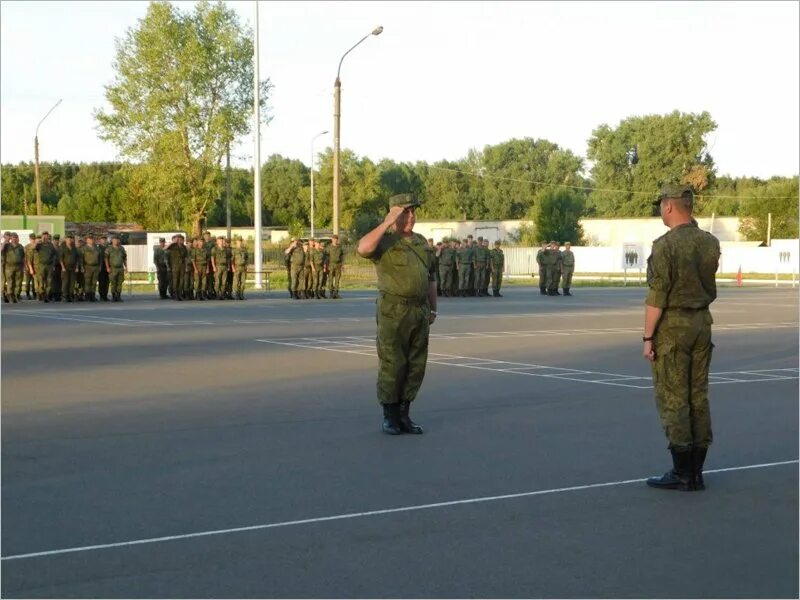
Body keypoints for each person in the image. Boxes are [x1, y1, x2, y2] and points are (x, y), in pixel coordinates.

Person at [643, 184, 720, 492]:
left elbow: (657, 297)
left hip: (673, 326)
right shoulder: (709, 242)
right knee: (697, 396)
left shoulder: (665, 245)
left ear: (670, 207)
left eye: (662, 204)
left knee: (674, 397)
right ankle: (697, 471)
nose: (661, 210)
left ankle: (682, 472)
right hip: (702, 322)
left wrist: (648, 338)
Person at [357, 193, 437, 436]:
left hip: (419, 310)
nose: (411, 216)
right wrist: (386, 223)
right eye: (405, 212)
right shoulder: (386, 241)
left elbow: (432, 278)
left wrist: (433, 308)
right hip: (394, 310)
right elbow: (363, 248)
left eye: (413, 212)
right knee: (394, 363)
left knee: (415, 364)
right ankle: (389, 416)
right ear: (394, 214)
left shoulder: (422, 242)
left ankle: (404, 415)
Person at [33, 232, 57, 302]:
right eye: (44, 236)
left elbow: (54, 254)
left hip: (49, 265)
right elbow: (34, 248)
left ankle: (47, 295)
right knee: (41, 281)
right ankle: (42, 294)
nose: (45, 238)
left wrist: (53, 264)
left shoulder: (51, 245)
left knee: (49, 281)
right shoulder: (39, 245)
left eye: (47, 236)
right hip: (41, 265)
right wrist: (39, 242)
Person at [3, 233, 25, 303]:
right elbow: (1, 250)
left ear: (17, 238)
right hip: (9, 267)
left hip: (19, 266)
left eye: (15, 237)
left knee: (18, 282)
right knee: (10, 282)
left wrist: (24, 266)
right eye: (13, 237)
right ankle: (10, 296)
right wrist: (5, 241)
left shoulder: (20, 246)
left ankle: (16, 296)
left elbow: (23, 257)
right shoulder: (7, 246)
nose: (14, 239)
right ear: (11, 238)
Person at [105, 236, 128, 302]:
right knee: (113, 282)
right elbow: (106, 259)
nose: (116, 241)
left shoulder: (121, 248)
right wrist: (107, 267)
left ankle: (118, 296)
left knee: (120, 282)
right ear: (112, 241)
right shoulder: (109, 249)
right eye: (114, 240)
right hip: (112, 268)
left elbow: (124, 259)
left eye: (117, 240)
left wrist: (126, 267)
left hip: (120, 268)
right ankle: (113, 296)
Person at [59, 234, 80, 302]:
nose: (69, 240)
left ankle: (70, 295)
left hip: (73, 267)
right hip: (65, 267)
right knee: (65, 282)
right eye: (68, 239)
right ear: (65, 240)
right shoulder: (63, 248)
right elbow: (61, 259)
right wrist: (63, 267)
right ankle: (64, 296)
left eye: (71, 238)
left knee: (72, 282)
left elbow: (77, 259)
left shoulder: (74, 248)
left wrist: (77, 267)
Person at [80, 234, 101, 301]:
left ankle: (93, 295)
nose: (91, 240)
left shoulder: (97, 248)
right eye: (89, 239)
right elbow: (81, 258)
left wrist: (99, 266)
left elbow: (100, 258)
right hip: (87, 267)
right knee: (87, 282)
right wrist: (82, 267)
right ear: (87, 240)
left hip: (95, 267)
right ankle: (87, 296)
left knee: (94, 282)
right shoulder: (84, 248)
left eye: (92, 239)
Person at [167, 234, 187, 300]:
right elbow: (165, 248)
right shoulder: (173, 246)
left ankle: (180, 294)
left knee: (181, 281)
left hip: (182, 266)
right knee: (175, 281)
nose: (181, 241)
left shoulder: (184, 247)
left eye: (182, 240)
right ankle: (175, 294)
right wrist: (173, 242)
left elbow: (186, 257)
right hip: (175, 266)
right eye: (179, 239)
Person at [327, 235, 345, 299]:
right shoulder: (329, 247)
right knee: (330, 279)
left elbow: (342, 256)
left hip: (338, 265)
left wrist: (342, 265)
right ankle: (331, 294)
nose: (335, 240)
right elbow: (326, 257)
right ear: (332, 239)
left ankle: (336, 293)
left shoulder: (340, 247)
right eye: (334, 239)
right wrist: (326, 265)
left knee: (337, 280)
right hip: (331, 265)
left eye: (336, 239)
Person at [97, 234, 110, 301]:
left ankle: (105, 295)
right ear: (100, 240)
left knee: (107, 282)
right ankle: (101, 296)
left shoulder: (108, 247)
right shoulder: (98, 248)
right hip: (101, 266)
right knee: (101, 282)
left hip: (107, 266)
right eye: (102, 239)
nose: (104, 240)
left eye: (105, 239)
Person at [24, 232, 37, 300]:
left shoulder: (37, 246)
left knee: (35, 282)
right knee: (28, 282)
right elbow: (25, 257)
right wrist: (26, 266)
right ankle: (27, 293)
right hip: (28, 267)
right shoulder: (26, 247)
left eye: (34, 239)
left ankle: (34, 293)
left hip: (35, 266)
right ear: (29, 239)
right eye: (32, 239)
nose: (33, 240)